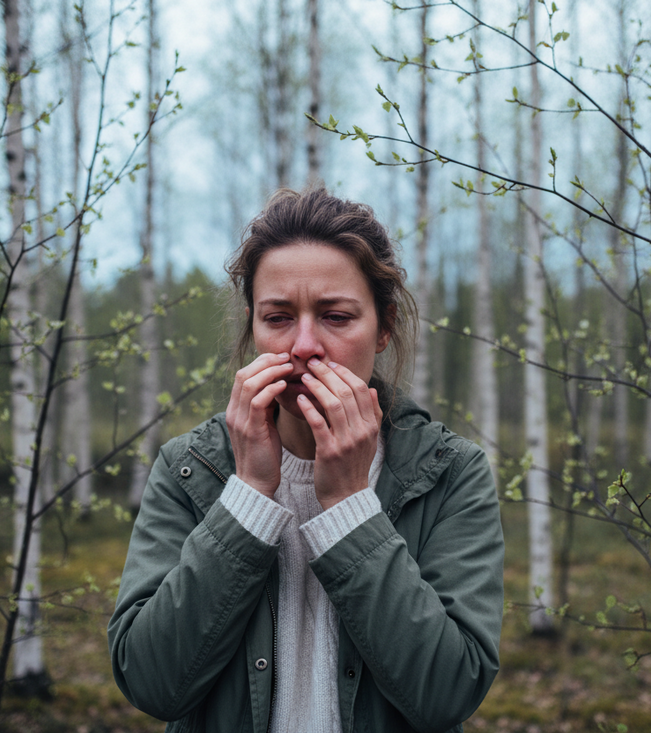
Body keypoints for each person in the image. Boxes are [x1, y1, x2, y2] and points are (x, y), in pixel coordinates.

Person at [108, 188, 504, 733]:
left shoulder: (450, 473)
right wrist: (246, 494)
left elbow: (449, 692)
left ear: (384, 327)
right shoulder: (189, 468)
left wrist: (348, 505)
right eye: (278, 317)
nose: (304, 345)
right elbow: (150, 681)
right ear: (253, 328)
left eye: (336, 317)